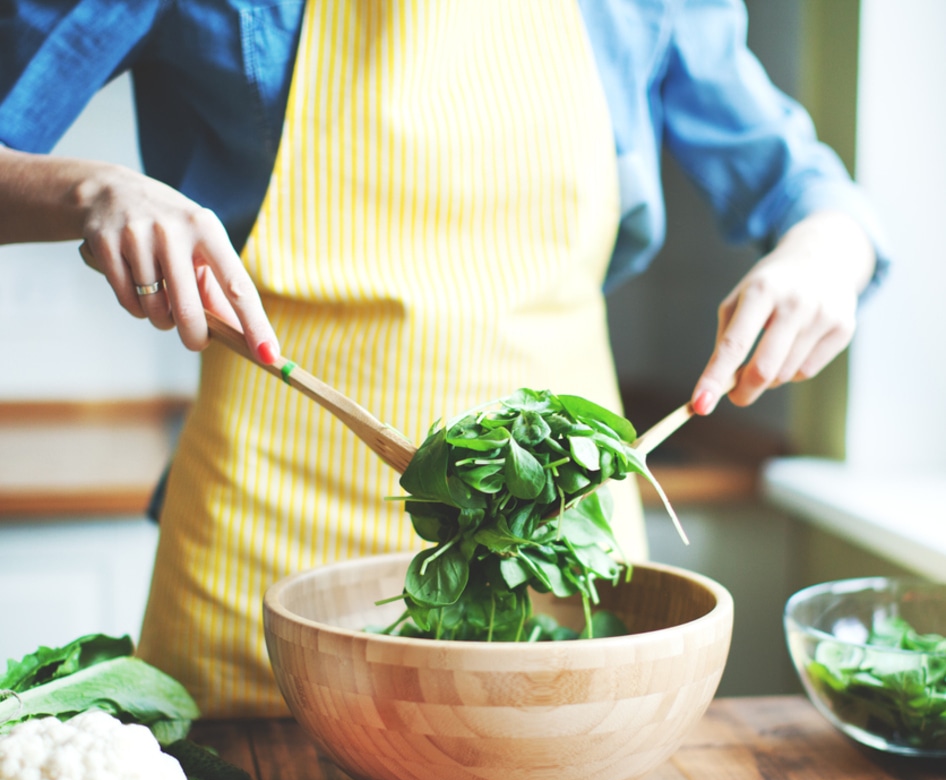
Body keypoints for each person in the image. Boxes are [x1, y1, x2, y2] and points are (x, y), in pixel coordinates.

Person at [0, 0, 887, 717]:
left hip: (560, 551)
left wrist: (826, 250)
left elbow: (809, 189)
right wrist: (92, 190)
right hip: (261, 562)